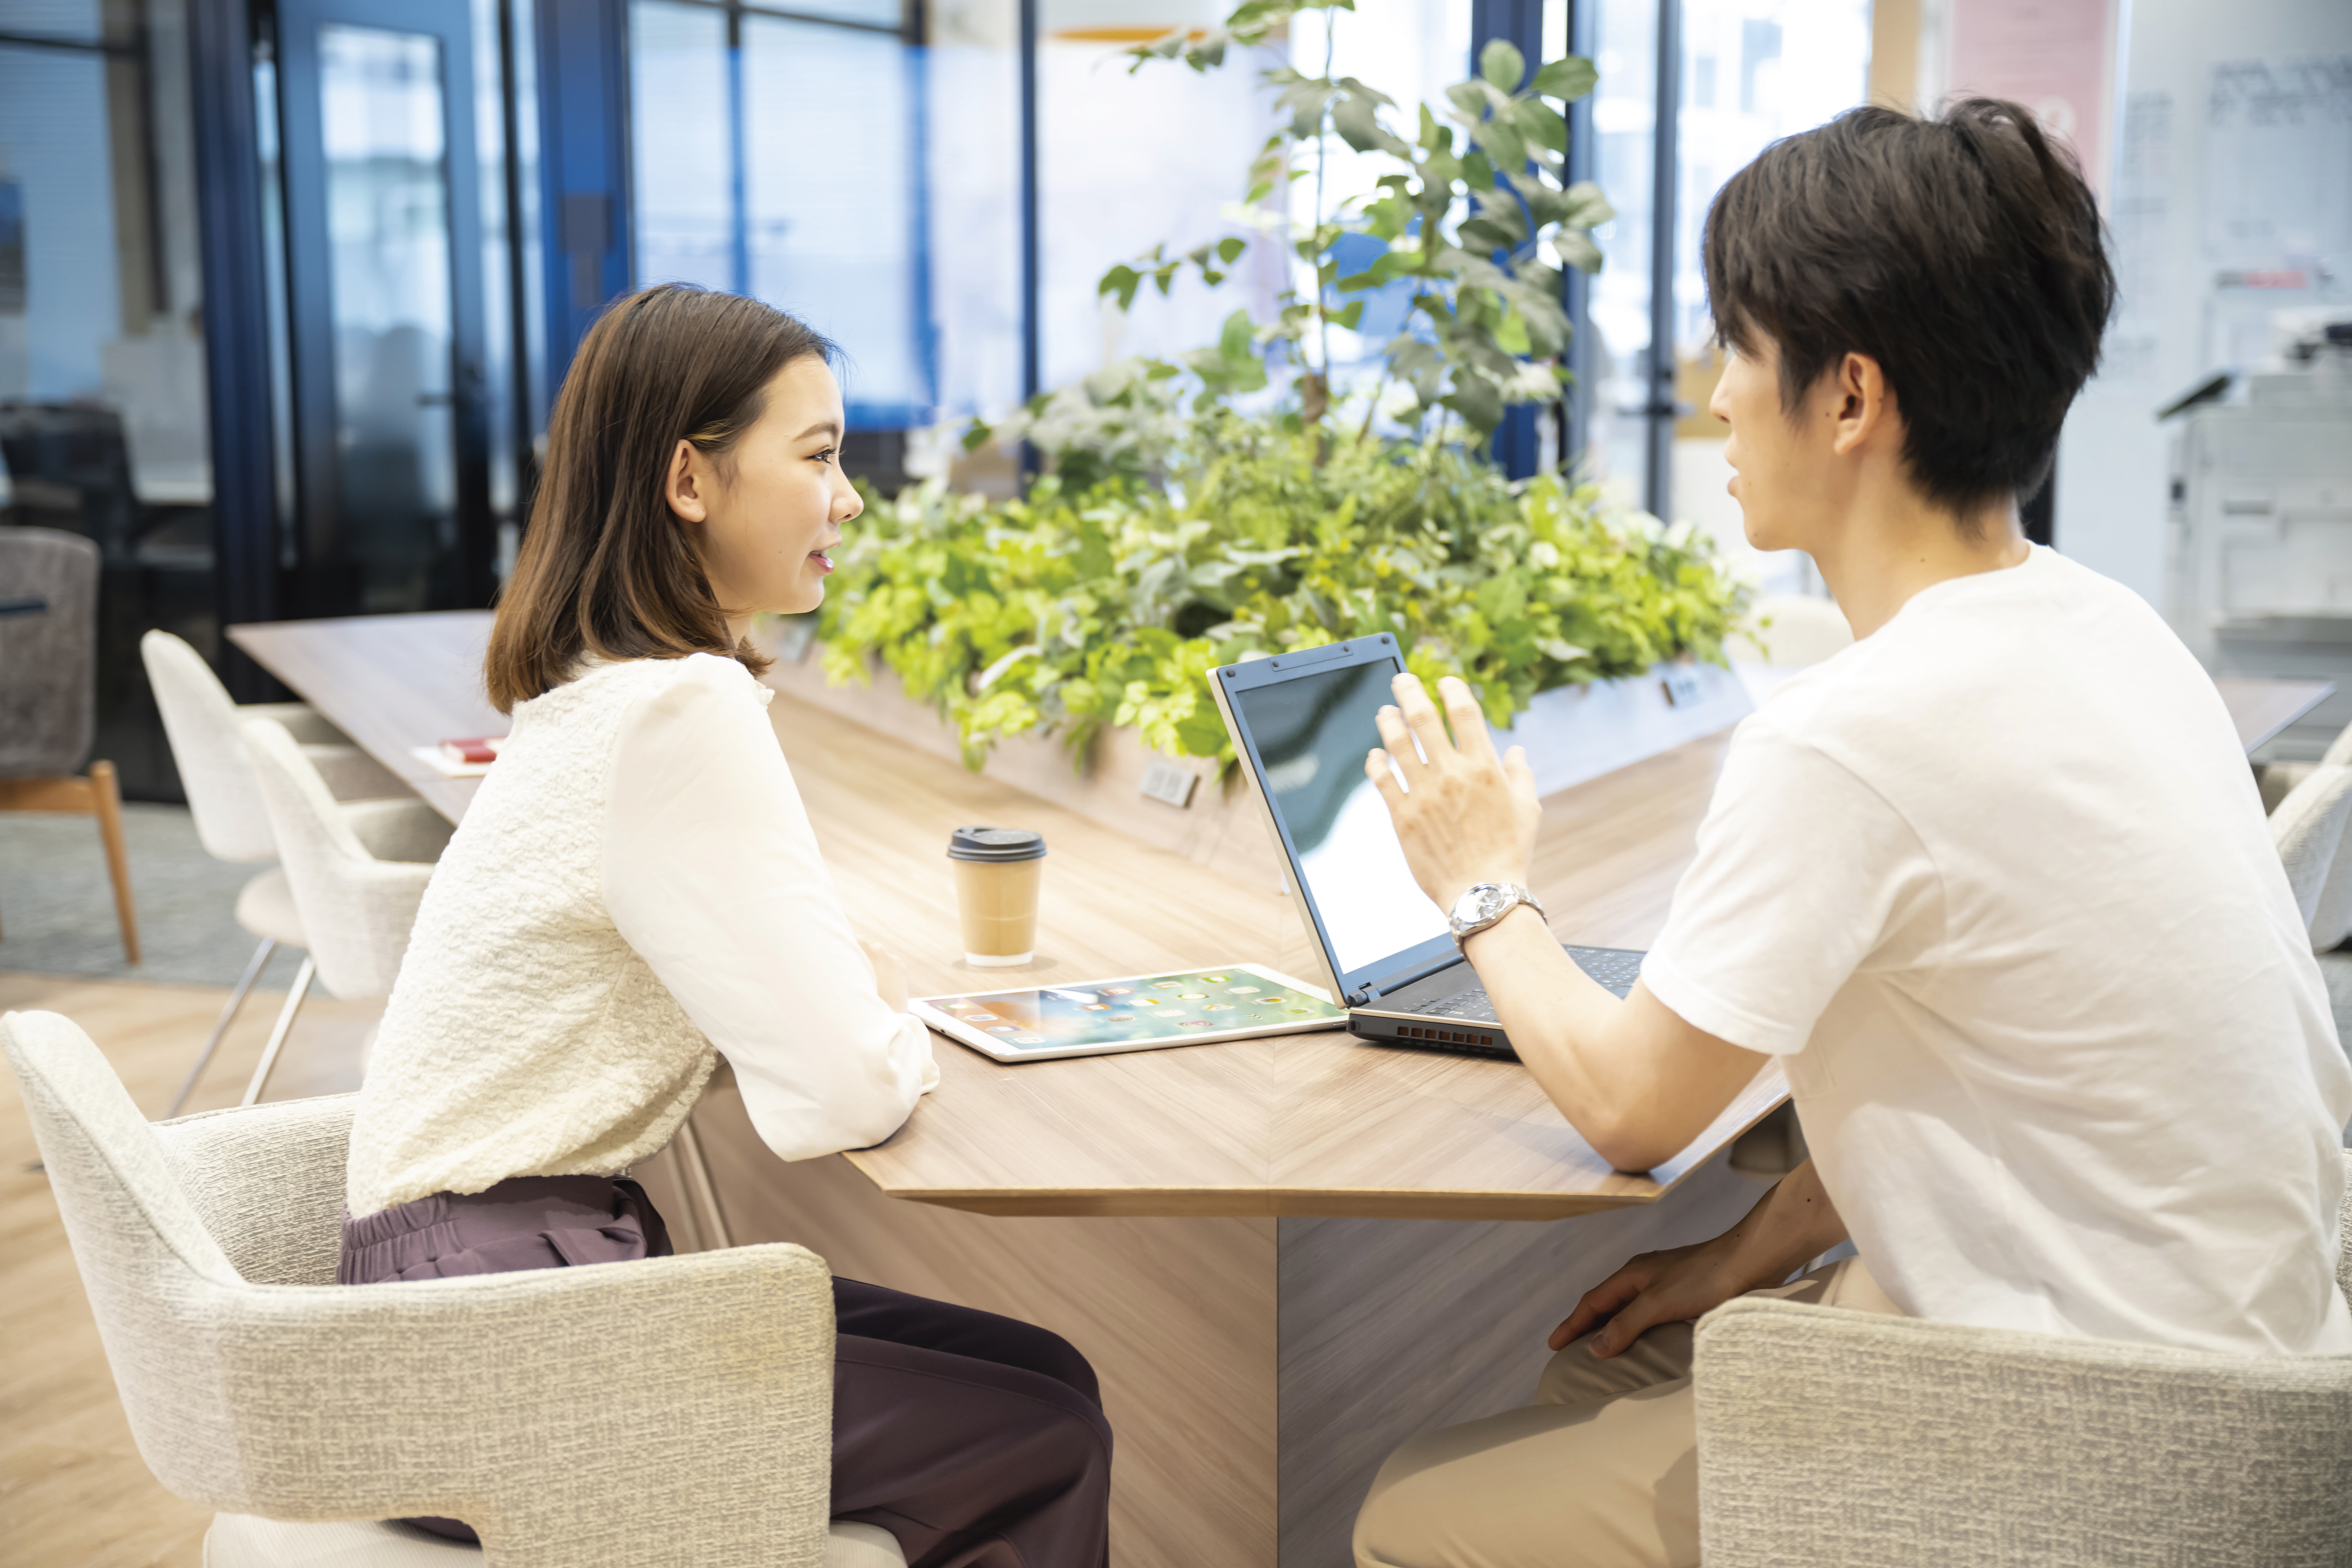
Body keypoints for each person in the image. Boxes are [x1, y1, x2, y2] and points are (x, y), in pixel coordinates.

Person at [1349, 99, 2352, 1568]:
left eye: (1736, 352)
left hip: (2094, 1455)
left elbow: (1632, 1109)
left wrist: (1478, 882)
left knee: (1399, 1516)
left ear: (1847, 399)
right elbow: (2005, 1059)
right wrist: (1755, 1246)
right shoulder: (2109, 628)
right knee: (1602, 1365)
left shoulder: (1851, 733)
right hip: (2260, 1389)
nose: (1710, 401)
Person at [339, 283, 1111, 1568]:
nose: (850, 497)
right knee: (1040, 1431)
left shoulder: (602, 691)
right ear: (689, 480)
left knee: (1037, 1368)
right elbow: (835, 1096)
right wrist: (899, 1023)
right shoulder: (679, 710)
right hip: (498, 1335)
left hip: (451, 1303)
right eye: (818, 456)